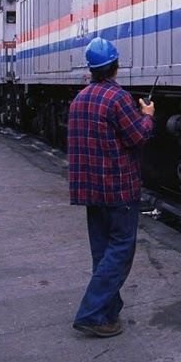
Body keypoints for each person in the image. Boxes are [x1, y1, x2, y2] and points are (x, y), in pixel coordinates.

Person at [67, 37, 155, 337]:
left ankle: (107, 312)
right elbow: (138, 138)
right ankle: (91, 313)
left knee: (102, 251)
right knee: (120, 250)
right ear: (116, 67)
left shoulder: (79, 99)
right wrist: (147, 116)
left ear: (91, 69)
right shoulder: (118, 99)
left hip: (90, 191)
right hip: (118, 190)